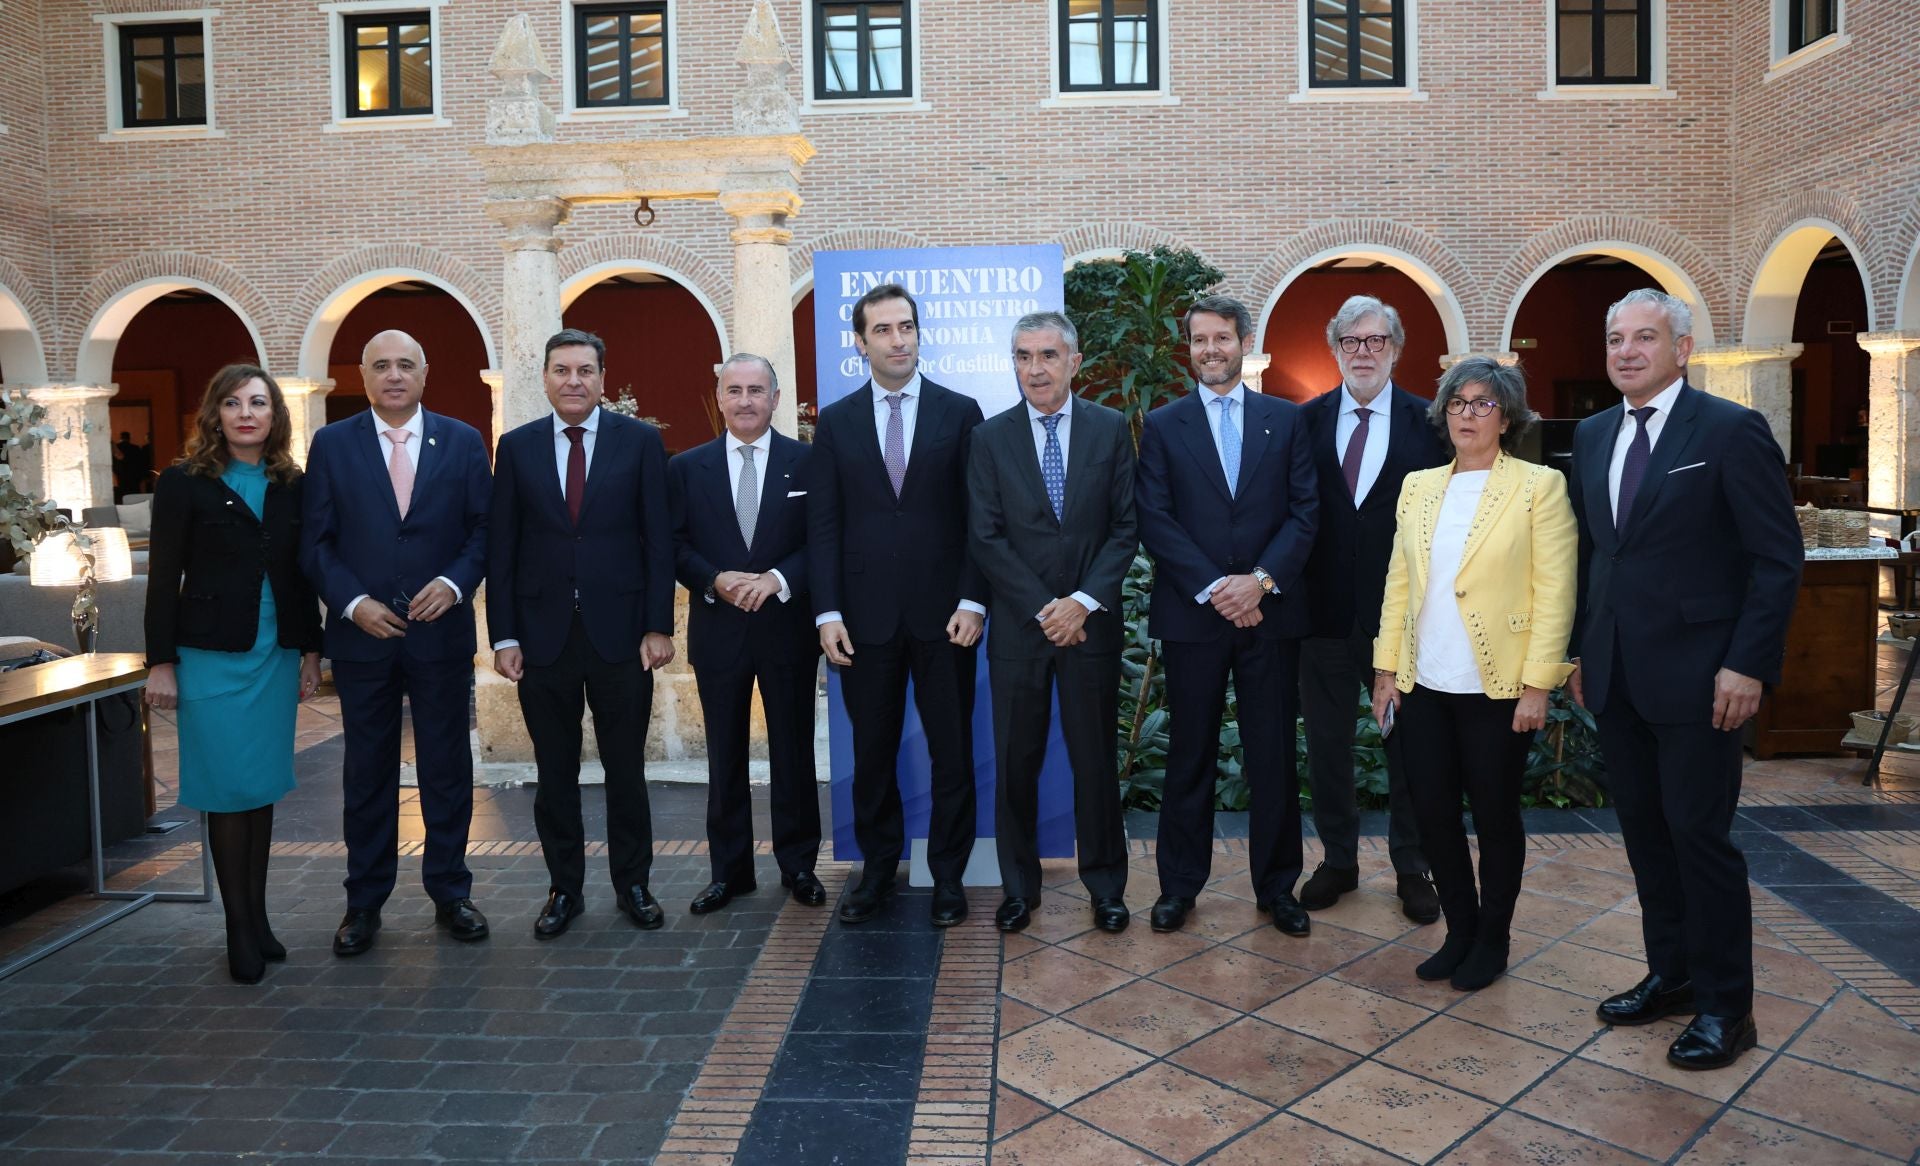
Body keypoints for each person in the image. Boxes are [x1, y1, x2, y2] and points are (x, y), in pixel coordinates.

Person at [1569, 289, 1803, 1070]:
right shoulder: (1596, 434)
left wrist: (1746, 664)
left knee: (1699, 840)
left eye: (1644, 337)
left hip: (1705, 679)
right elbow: (1600, 557)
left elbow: (1776, 560)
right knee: (1645, 838)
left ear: (1683, 348)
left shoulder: (1731, 431)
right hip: (1617, 677)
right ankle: (1670, 974)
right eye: (1615, 338)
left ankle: (1726, 1008)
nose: (1627, 351)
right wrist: (1580, 651)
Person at [1370, 358, 1576, 991]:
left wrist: (1539, 684)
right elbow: (1399, 582)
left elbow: (1556, 590)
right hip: (1423, 683)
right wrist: (1385, 669)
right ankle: (1459, 930)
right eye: (1457, 403)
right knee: (1432, 814)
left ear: (1507, 416)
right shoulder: (1419, 486)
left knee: (1494, 817)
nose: (1467, 414)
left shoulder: (1539, 487)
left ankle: (1493, 939)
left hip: (1498, 688)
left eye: (1483, 404)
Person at [302, 330, 494, 957]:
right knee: (366, 772)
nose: (393, 375)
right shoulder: (332, 444)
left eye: (405, 364)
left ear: (425, 372)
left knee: (446, 767)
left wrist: (454, 583)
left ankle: (450, 891)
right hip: (364, 642)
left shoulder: (463, 441)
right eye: (380, 365)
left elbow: (484, 531)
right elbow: (316, 541)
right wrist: (353, 604)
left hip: (440, 635)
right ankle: (363, 903)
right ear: (363, 375)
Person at [1135, 294, 1318, 937]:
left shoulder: (1286, 420)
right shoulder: (1163, 425)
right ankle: (1179, 888)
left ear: (1244, 342)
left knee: (1272, 756)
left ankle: (1277, 889)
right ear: (1189, 348)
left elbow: (1305, 512)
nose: (1210, 350)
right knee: (1190, 755)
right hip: (1195, 617)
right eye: (1199, 340)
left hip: (1268, 616)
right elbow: (1154, 518)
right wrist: (1217, 586)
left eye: (1222, 338)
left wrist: (1259, 583)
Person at [809, 283, 985, 928]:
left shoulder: (960, 411)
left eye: (906, 326)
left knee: (952, 752)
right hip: (864, 621)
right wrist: (827, 613)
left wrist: (974, 599)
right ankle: (878, 871)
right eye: (883, 330)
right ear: (861, 343)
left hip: (947, 618)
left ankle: (947, 877)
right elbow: (823, 526)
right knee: (873, 755)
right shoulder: (837, 420)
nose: (898, 339)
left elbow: (978, 520)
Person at [490, 328, 676, 939]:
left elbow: (658, 541)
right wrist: (504, 636)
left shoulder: (642, 443)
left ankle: (634, 884)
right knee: (555, 775)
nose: (574, 381)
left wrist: (657, 625)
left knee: (627, 771)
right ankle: (563, 890)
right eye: (562, 370)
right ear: (545, 378)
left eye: (585, 371)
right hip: (543, 640)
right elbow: (503, 548)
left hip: (622, 637)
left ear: (602, 379)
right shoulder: (515, 449)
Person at [145, 365, 322, 983]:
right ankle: (238, 928)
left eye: (258, 403)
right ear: (213, 414)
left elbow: (301, 576)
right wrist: (160, 662)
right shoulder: (183, 483)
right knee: (225, 790)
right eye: (232, 402)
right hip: (211, 658)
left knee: (260, 786)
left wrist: (309, 651)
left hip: (273, 656)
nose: (246, 413)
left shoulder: (291, 485)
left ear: (275, 416)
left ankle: (260, 916)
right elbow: (163, 578)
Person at [967, 312, 1137, 934]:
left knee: (1095, 761)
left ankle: (1106, 888)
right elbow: (985, 538)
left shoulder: (1110, 429)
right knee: (1016, 763)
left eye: (1046, 355)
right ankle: (1019, 888)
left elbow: (1125, 527)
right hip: (1020, 629)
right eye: (1022, 356)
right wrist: (1045, 608)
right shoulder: (989, 439)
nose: (1034, 368)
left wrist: (1082, 603)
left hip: (1089, 628)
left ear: (1073, 361)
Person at [1298, 295, 1447, 924]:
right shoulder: (1301, 423)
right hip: (1322, 616)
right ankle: (1338, 859)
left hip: (1406, 620)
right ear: (1335, 349)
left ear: (1396, 349)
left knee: (1409, 748)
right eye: (1352, 342)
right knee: (1328, 746)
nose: (1364, 352)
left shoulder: (1432, 423)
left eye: (1376, 341)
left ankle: (1413, 868)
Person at [669, 353, 824, 914]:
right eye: (733, 390)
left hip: (787, 629)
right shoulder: (687, 467)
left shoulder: (808, 463)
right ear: (719, 397)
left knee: (793, 751)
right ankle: (728, 872)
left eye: (756, 390)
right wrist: (714, 578)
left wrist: (780, 578)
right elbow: (674, 543)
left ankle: (799, 864)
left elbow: (821, 540)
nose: (745, 400)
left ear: (776, 398)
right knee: (723, 756)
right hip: (719, 631)